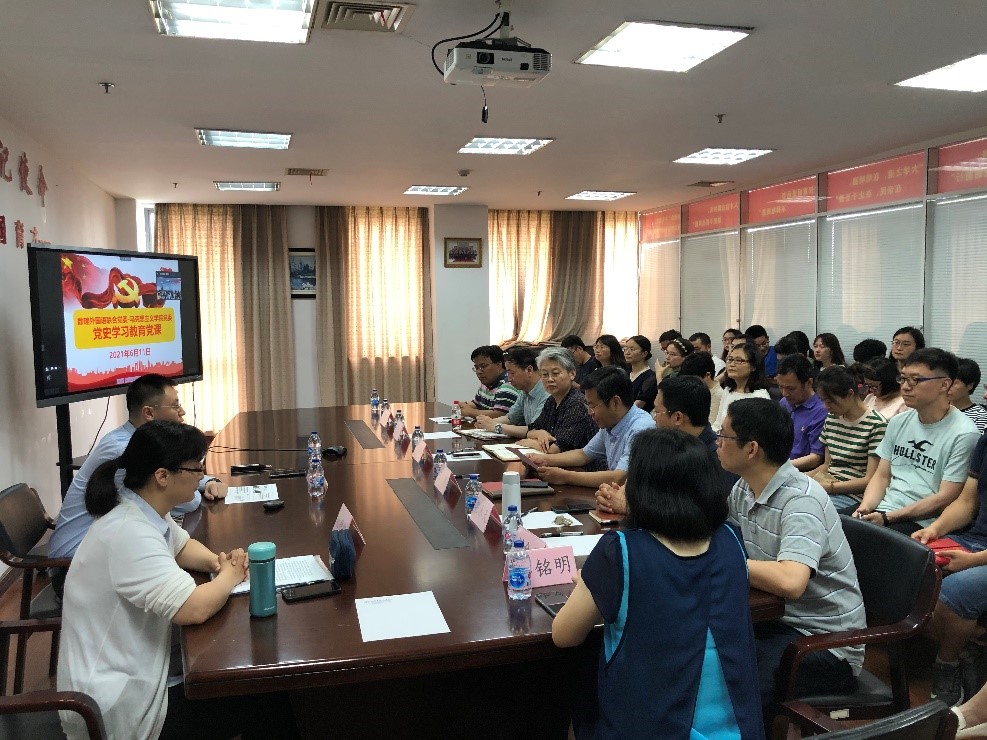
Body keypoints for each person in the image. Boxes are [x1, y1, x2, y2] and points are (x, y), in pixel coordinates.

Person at [57, 421, 295, 740]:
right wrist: (230, 576)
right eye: (195, 468)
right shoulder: (129, 533)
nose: (201, 475)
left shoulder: (140, 508)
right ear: (162, 476)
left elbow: (181, 545)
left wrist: (218, 562)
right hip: (119, 711)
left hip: (136, 673)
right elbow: (194, 608)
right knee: (267, 696)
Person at [553, 428, 764, 739]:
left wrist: (590, 586)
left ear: (641, 488)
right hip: (740, 729)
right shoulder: (731, 540)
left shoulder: (620, 551)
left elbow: (564, 636)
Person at [717, 398, 866, 711]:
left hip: (825, 643)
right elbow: (722, 536)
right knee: (705, 651)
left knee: (738, 685)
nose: (717, 442)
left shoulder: (800, 501)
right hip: (778, 619)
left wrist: (726, 563)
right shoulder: (746, 487)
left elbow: (791, 581)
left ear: (751, 449)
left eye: (724, 435)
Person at [49, 374, 226, 567]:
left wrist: (208, 482)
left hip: (106, 547)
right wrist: (197, 487)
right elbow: (184, 502)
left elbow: (175, 478)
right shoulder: (126, 450)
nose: (182, 412)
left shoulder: (135, 442)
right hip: (74, 559)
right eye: (175, 406)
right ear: (149, 413)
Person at [851, 348, 980, 535]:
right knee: (832, 525)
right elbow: (882, 476)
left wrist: (888, 517)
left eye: (915, 380)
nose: (905, 387)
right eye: (903, 378)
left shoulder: (964, 433)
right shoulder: (898, 422)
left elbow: (946, 497)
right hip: (883, 509)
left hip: (922, 521)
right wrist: (865, 507)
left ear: (944, 385)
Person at [913, 432, 987, 707]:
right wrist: (934, 529)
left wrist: (974, 561)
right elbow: (967, 502)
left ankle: (948, 663)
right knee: (908, 564)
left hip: (980, 553)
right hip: (975, 540)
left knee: (954, 593)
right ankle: (973, 644)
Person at [596, 375, 740, 514]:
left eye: (657, 412)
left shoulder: (718, 459)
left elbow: (697, 515)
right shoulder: (663, 446)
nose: (654, 418)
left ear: (677, 417)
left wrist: (631, 507)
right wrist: (613, 496)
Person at [526, 366, 652, 488]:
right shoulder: (611, 422)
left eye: (592, 406)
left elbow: (619, 478)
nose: (589, 412)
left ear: (615, 402)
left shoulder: (641, 429)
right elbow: (583, 455)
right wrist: (544, 459)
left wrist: (565, 477)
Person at [809, 366, 888, 511]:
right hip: (827, 484)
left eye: (830, 401)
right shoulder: (832, 418)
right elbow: (827, 465)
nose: (826, 406)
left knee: (809, 510)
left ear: (850, 394)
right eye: (823, 400)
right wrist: (802, 477)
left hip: (853, 494)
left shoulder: (877, 424)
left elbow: (870, 479)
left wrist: (830, 487)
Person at [526, 347, 598, 454]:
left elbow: (556, 449)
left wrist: (530, 443)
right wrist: (540, 433)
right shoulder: (551, 401)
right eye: (544, 374)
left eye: (555, 373)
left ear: (572, 373)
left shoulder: (577, 403)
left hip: (579, 464)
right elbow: (531, 430)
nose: (549, 379)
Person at [474, 346, 549, 438]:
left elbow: (535, 429)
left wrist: (496, 426)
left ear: (529, 370)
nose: (509, 379)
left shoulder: (547, 393)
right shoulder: (524, 391)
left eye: (512, 373)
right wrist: (486, 423)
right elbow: (511, 418)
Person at [776, 354, 827, 472]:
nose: (784, 393)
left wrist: (779, 468)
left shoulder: (821, 410)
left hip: (801, 471)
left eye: (790, 388)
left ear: (809, 383)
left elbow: (816, 458)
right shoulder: (784, 403)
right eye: (780, 387)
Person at [713, 343, 771, 432]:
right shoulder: (728, 390)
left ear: (753, 366)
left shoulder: (760, 397)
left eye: (738, 360)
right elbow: (718, 424)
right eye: (730, 359)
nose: (732, 364)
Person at [459, 345, 521, 419]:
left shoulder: (507, 385)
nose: (478, 372)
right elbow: (476, 404)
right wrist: (462, 406)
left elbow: (499, 414)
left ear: (498, 365)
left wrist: (470, 412)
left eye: (483, 366)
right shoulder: (487, 382)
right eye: (476, 367)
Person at [680, 351, 726, 428]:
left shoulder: (718, 396)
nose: (691, 383)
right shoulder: (695, 391)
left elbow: (711, 426)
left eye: (694, 379)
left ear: (707, 375)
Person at [950, 358, 987, 433]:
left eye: (954, 383)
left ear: (970, 385)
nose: (947, 386)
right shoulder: (937, 409)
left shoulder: (980, 416)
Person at [623, 334, 658, 412]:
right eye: (625, 348)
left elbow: (639, 405)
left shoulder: (650, 377)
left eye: (632, 349)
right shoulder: (624, 374)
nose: (627, 352)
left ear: (644, 353)